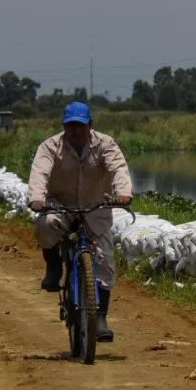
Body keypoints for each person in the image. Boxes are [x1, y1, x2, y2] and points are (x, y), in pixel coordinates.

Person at [27, 101, 132, 343]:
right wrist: (36, 198)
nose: (76, 131)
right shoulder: (51, 146)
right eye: (71, 126)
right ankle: (53, 266)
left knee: (104, 258)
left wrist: (123, 192)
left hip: (96, 207)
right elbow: (40, 172)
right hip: (60, 206)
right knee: (44, 226)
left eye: (81, 126)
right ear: (64, 126)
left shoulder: (105, 144)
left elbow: (118, 168)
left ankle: (101, 318)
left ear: (90, 125)